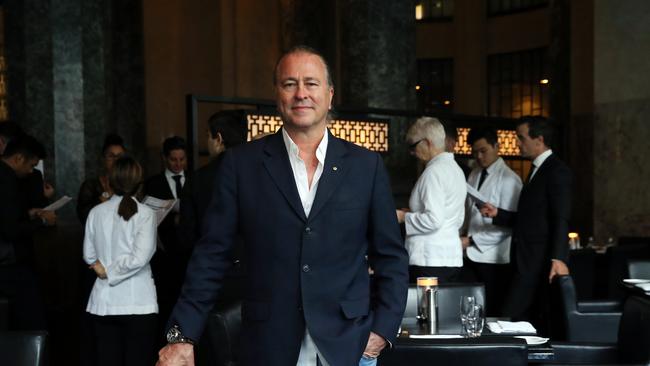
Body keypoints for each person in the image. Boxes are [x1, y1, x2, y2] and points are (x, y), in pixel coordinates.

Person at [156, 45, 408, 366]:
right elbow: (211, 255)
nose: (301, 93)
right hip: (267, 345)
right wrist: (183, 336)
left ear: (330, 95)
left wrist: (383, 331)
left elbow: (391, 257)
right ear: (277, 94)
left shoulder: (365, 166)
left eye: (311, 83)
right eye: (290, 84)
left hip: (350, 345)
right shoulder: (241, 165)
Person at [481, 116, 571, 334]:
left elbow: (561, 218)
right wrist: (498, 214)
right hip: (525, 259)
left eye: (521, 138)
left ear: (539, 139)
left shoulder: (556, 170)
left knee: (513, 316)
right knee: (519, 318)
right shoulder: (536, 169)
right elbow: (529, 219)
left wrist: (558, 258)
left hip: (538, 260)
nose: (518, 143)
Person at [83, 156, 158, 366]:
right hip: (138, 303)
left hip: (104, 302)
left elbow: (88, 255)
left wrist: (106, 270)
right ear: (138, 182)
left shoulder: (96, 212)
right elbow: (140, 257)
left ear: (110, 181)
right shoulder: (146, 214)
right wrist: (110, 270)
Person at [396, 117, 467, 283]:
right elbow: (456, 217)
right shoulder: (455, 169)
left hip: (429, 257)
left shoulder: (433, 172)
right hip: (450, 255)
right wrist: (413, 213)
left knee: (427, 308)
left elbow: (434, 219)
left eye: (413, 146)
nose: (412, 152)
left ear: (427, 142)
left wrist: (402, 217)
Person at [460, 127, 522, 316]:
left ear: (497, 146)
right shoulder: (474, 174)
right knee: (471, 308)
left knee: (492, 309)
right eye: (475, 152)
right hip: (469, 254)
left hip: (493, 257)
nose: (479, 156)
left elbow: (509, 226)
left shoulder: (510, 179)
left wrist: (471, 241)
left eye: (483, 151)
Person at [0, 135, 56, 330]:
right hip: (9, 264)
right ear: (18, 159)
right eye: (31, 166)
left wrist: (28, 213)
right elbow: (10, 229)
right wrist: (41, 221)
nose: (31, 171)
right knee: (33, 320)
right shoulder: (6, 179)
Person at [77, 134, 127, 224]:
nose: (116, 160)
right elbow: (84, 217)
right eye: (111, 156)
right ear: (103, 159)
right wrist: (106, 195)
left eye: (119, 156)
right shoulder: (90, 185)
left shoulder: (131, 183)